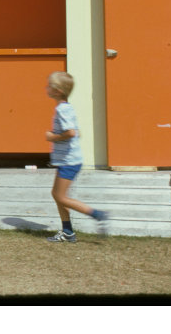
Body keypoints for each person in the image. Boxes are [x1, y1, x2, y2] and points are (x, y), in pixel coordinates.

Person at [44, 71, 109, 242]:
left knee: (60, 196)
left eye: (49, 85)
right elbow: (76, 132)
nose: (46, 88)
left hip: (68, 161)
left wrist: (52, 137)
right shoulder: (66, 107)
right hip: (67, 160)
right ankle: (68, 232)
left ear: (58, 91)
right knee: (57, 194)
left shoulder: (62, 110)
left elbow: (71, 132)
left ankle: (97, 214)